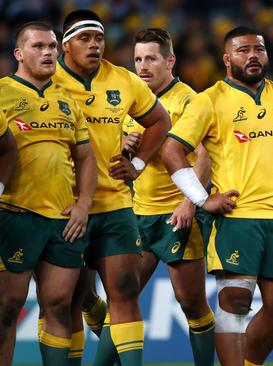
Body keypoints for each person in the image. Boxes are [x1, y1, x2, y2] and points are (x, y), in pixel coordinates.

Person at [161, 26, 273, 366]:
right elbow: (172, 150)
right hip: (236, 218)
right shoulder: (210, 100)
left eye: (258, 49)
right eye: (243, 50)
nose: (252, 55)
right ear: (227, 59)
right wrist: (202, 200)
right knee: (234, 302)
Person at [52, 9, 171, 366]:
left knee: (125, 289)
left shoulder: (121, 80)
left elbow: (159, 120)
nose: (94, 45)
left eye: (99, 39)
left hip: (115, 204)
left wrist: (137, 164)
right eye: (85, 39)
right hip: (64, 206)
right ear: (66, 45)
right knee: (70, 298)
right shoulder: (49, 79)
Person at [0, 21, 97, 366]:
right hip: (14, 214)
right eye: (39, 46)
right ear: (19, 53)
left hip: (63, 220)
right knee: (6, 309)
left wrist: (83, 204)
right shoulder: (3, 93)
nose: (48, 53)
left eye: (53, 47)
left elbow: (86, 158)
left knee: (59, 304)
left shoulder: (67, 101)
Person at [122, 28, 215, 366]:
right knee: (123, 295)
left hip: (177, 215)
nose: (142, 66)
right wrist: (123, 147)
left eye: (151, 59)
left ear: (170, 61)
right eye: (137, 60)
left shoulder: (190, 100)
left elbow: (205, 157)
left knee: (190, 302)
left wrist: (191, 201)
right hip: (137, 213)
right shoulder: (131, 100)